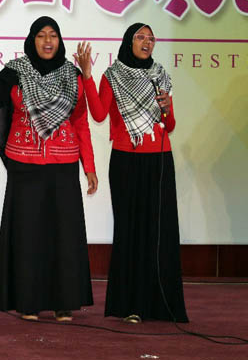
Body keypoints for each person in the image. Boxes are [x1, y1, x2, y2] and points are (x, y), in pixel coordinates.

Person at [0, 16, 97, 322]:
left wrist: (89, 166)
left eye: (53, 35)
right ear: (32, 40)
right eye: (41, 35)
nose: (48, 41)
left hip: (63, 165)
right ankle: (28, 302)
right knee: (27, 237)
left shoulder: (73, 75)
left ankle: (63, 302)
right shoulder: (15, 72)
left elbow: (80, 121)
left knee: (64, 238)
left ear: (59, 40)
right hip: (25, 165)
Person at [78, 23, 188, 323]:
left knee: (159, 231)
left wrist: (166, 109)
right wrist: (87, 76)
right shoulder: (113, 75)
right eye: (141, 37)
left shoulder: (160, 76)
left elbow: (170, 125)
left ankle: (161, 304)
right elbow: (99, 113)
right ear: (129, 41)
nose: (147, 42)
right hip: (126, 161)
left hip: (160, 160)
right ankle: (131, 305)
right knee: (131, 231)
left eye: (151, 38)